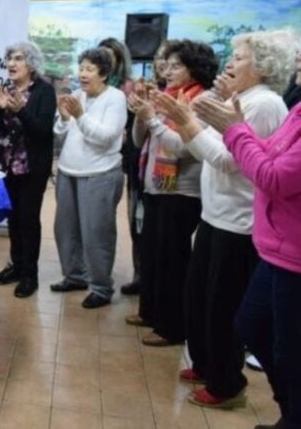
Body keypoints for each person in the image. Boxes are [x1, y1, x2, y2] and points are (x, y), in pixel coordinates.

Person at [153, 31, 289, 408]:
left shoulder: (265, 103)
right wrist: (187, 124)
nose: (230, 62)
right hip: (215, 215)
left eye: (240, 57)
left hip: (238, 221)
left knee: (222, 306)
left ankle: (226, 383)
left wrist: (187, 124)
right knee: (199, 296)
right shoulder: (238, 98)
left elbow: (228, 160)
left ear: (263, 67)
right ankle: (205, 363)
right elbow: (209, 150)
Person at [192, 60, 301, 429]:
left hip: (282, 246)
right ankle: (290, 412)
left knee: (285, 347)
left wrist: (232, 130)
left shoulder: (267, 103)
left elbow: (270, 175)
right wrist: (230, 127)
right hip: (273, 243)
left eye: (240, 57)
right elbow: (268, 152)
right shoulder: (296, 109)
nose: (297, 59)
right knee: (250, 325)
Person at [126, 40, 216, 346]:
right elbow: (139, 141)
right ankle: (150, 312)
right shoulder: (168, 95)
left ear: (194, 69)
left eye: (176, 66)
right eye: (167, 65)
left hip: (182, 192)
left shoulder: (201, 100)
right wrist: (142, 114)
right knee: (152, 254)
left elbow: (181, 148)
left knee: (172, 260)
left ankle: (172, 327)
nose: (168, 71)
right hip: (156, 185)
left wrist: (152, 118)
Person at [50, 47, 127, 309]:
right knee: (65, 231)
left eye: (89, 69)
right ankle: (74, 277)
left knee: (97, 234)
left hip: (100, 173)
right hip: (68, 171)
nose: (82, 74)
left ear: (103, 74)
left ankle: (101, 288)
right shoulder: (77, 95)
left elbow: (106, 137)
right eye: (81, 68)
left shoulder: (115, 98)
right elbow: (61, 132)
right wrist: (63, 118)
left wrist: (80, 116)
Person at [0, 41, 56, 298]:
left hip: (32, 169)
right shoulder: (7, 89)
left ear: (31, 64)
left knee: (28, 220)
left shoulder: (44, 92)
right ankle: (16, 267)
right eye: (9, 59)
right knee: (14, 219)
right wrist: (0, 108)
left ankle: (30, 275)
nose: (11, 64)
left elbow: (43, 131)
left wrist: (21, 111)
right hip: (7, 167)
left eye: (18, 59)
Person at [99, 37, 143, 296]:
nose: (104, 60)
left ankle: (140, 274)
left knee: (136, 216)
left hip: (131, 157)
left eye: (110, 55)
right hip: (100, 157)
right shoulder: (95, 86)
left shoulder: (130, 87)